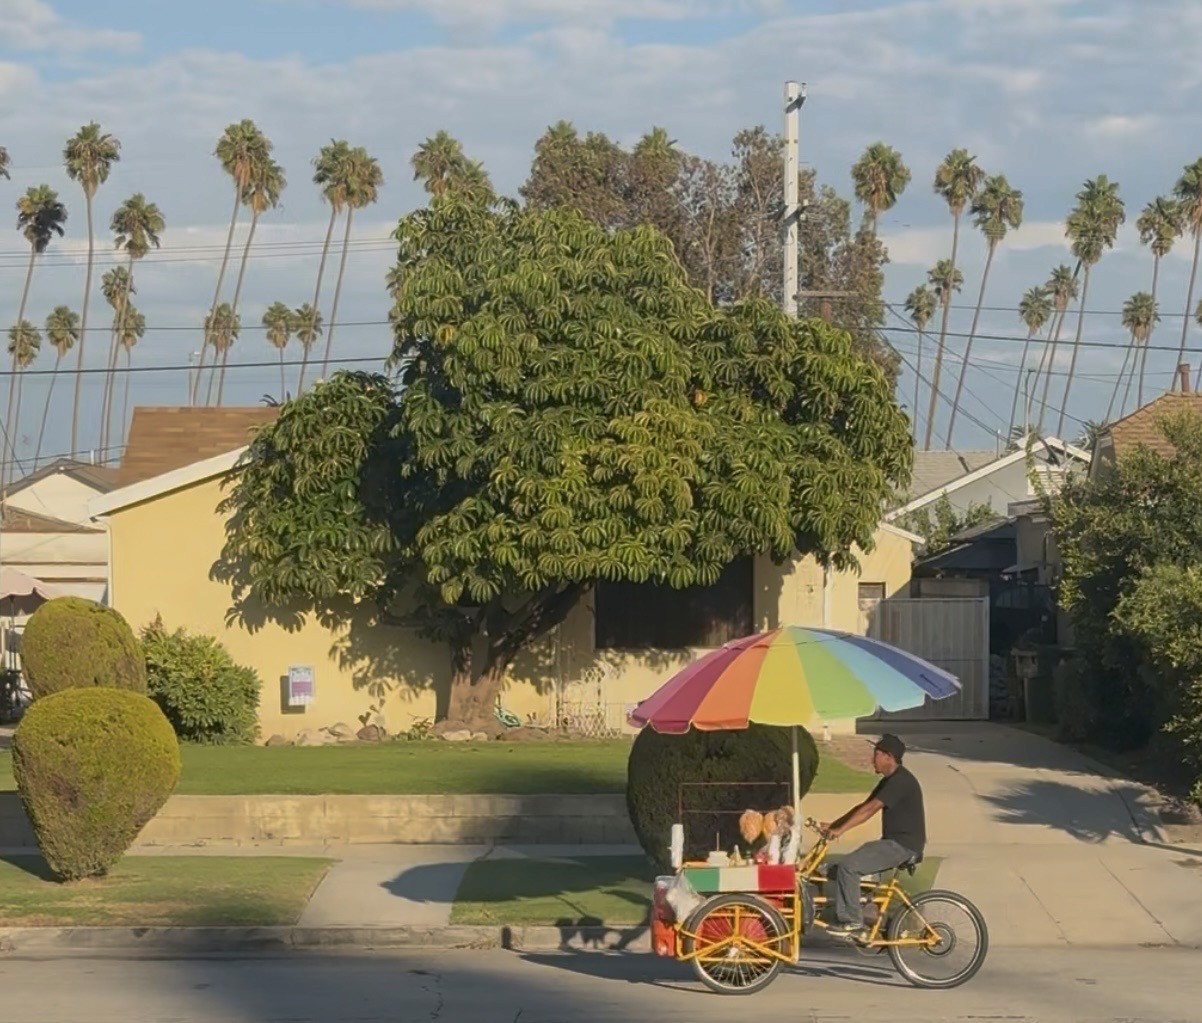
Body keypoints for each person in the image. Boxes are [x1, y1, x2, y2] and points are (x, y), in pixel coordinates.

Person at [819, 733, 926, 939]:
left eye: (875, 754)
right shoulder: (889, 780)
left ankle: (852, 921)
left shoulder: (901, 781)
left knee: (849, 867)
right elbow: (863, 806)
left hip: (901, 846)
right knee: (830, 870)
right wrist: (833, 825)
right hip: (893, 843)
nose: (872, 759)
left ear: (888, 757)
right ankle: (866, 912)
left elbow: (871, 810)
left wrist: (840, 831)